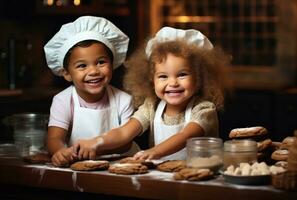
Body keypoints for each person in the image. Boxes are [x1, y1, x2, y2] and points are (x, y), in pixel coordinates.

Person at [73, 27, 231, 160]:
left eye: (182, 74)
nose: (173, 83)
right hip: (161, 179)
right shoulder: (152, 107)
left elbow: (185, 137)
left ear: (200, 78)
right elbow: (123, 133)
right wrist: (95, 143)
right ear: (151, 80)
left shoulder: (204, 109)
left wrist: (154, 151)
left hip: (200, 178)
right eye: (163, 76)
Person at [44, 16, 139, 166]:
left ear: (112, 63)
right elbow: (54, 139)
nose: (94, 71)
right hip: (77, 164)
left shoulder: (124, 100)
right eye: (82, 65)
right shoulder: (63, 100)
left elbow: (125, 143)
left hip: (120, 163)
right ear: (67, 74)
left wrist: (95, 149)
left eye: (101, 62)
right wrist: (60, 152)